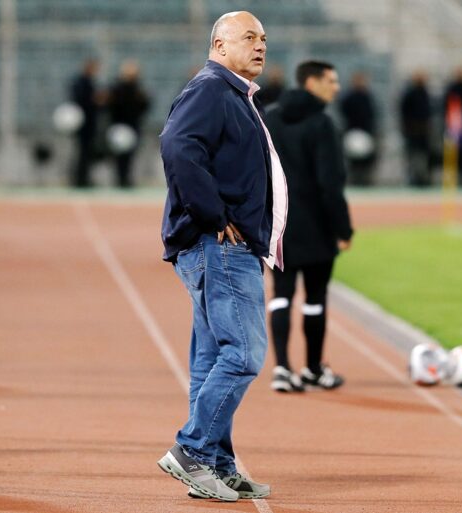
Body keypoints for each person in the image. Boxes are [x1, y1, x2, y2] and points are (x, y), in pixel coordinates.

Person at [156, 11, 286, 502]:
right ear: (219, 45)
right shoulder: (212, 88)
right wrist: (213, 215)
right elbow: (177, 145)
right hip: (220, 246)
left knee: (212, 358)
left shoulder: (234, 94)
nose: (261, 45)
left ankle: (216, 465)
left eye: (263, 38)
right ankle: (192, 450)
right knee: (245, 354)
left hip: (222, 245)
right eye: (249, 37)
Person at [263, 60, 354, 392]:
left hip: (278, 224)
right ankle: (313, 368)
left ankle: (281, 369)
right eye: (331, 81)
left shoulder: (270, 117)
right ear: (312, 83)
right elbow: (331, 183)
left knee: (281, 295)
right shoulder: (323, 123)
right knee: (315, 298)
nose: (337, 87)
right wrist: (343, 229)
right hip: (315, 224)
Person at [107, 59, 151, 187]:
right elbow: (112, 106)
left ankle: (126, 178)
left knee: (130, 155)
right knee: (119, 155)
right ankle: (120, 178)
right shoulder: (117, 88)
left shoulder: (137, 89)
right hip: (119, 124)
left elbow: (144, 106)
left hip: (132, 125)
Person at [339, 71, 378, 186]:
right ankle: (355, 180)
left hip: (367, 131)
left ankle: (365, 180)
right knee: (353, 159)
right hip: (353, 131)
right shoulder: (349, 98)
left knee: (367, 159)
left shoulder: (368, 97)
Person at [70, 58, 103, 188]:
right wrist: (95, 101)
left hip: (87, 123)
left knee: (86, 153)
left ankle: (83, 178)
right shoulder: (82, 83)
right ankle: (81, 179)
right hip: (84, 124)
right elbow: (82, 100)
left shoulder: (86, 82)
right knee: (83, 153)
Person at [399, 71, 433, 186]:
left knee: (423, 156)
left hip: (423, 131)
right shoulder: (410, 94)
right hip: (412, 131)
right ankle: (413, 178)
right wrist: (408, 127)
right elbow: (404, 112)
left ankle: (422, 178)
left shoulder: (425, 93)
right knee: (412, 156)